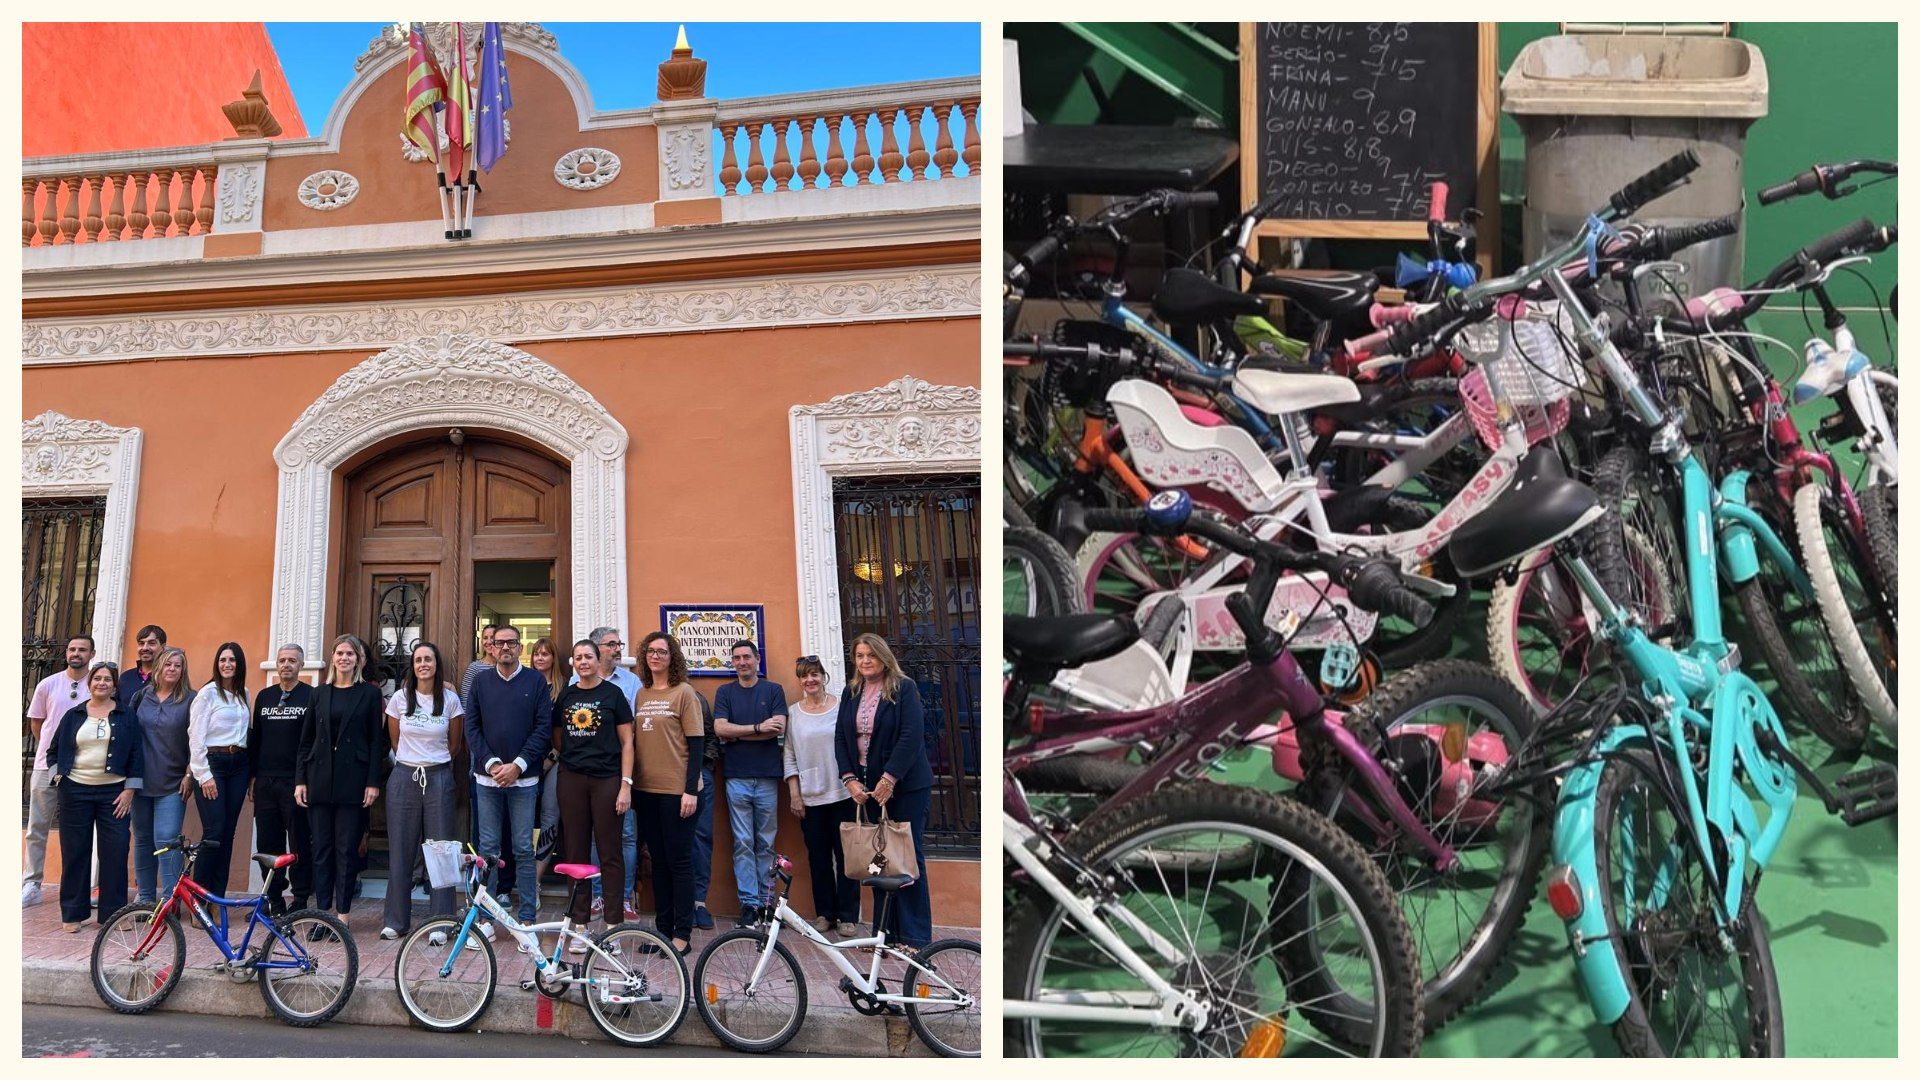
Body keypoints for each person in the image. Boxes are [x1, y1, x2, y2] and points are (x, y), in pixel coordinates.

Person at [836, 634, 935, 951]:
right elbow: (840, 737)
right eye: (859, 655)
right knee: (877, 860)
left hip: (905, 787)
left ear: (883, 657)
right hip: (868, 790)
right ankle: (884, 934)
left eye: (871, 655)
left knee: (905, 857)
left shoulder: (903, 688)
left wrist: (890, 778)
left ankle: (914, 937)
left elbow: (911, 735)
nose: (865, 661)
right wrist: (850, 779)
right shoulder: (851, 692)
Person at [463, 623, 552, 929]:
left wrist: (517, 765)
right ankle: (485, 919)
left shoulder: (536, 681)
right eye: (499, 643)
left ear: (519, 648)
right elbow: (471, 727)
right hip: (487, 779)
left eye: (511, 643)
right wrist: (491, 763)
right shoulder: (480, 682)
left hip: (524, 780)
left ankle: (527, 919)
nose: (505, 648)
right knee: (487, 850)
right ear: (491, 647)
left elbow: (543, 729)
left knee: (524, 849)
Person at [295, 634, 386, 925]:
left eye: (350, 654)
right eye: (339, 653)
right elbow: (306, 740)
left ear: (358, 660)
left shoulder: (370, 695)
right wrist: (301, 780)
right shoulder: (318, 693)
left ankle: (342, 915)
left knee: (346, 850)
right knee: (321, 849)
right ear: (333, 658)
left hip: (354, 783)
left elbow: (376, 742)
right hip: (319, 781)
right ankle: (323, 914)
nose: (344, 658)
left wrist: (373, 782)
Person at [553, 639, 634, 948]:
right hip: (572, 779)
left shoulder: (613, 694)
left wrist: (625, 784)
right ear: (573, 663)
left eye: (588, 656)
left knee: (610, 852)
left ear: (599, 660)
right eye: (578, 657)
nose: (583, 661)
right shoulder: (568, 694)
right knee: (575, 851)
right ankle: (580, 926)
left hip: (607, 780)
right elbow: (557, 735)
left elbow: (627, 741)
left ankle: (613, 925)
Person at [380, 642, 464, 940]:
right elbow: (394, 740)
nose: (423, 664)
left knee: (441, 851)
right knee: (402, 850)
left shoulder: (451, 700)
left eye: (428, 659)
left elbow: (454, 745)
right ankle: (396, 921)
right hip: (404, 777)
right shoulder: (401, 699)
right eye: (418, 660)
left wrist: (433, 764)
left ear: (436, 664)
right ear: (412, 666)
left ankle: (441, 922)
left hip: (439, 777)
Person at [51, 660, 142, 932]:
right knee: (75, 851)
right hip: (75, 791)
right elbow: (54, 750)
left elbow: (137, 754)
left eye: (107, 679)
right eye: (97, 678)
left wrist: (129, 790)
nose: (102, 683)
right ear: (89, 684)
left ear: (115, 685)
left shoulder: (127, 716)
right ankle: (72, 913)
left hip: (113, 794)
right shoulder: (73, 715)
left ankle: (114, 914)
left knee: (115, 852)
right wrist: (59, 778)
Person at [631, 632, 704, 954]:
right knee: (657, 863)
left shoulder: (684, 693)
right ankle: (662, 932)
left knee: (679, 862)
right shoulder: (642, 694)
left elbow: (697, 744)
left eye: (662, 651)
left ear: (672, 657)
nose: (655, 656)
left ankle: (682, 935)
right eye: (651, 651)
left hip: (678, 793)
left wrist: (690, 790)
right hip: (647, 791)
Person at [713, 640, 788, 925]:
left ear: (758, 659)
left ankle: (766, 904)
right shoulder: (725, 692)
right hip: (736, 777)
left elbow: (778, 727)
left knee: (766, 843)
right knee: (743, 842)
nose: (742, 662)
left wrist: (738, 733)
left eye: (747, 657)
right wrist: (757, 728)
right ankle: (748, 904)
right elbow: (720, 728)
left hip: (768, 777)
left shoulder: (773, 690)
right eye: (736, 658)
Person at [784, 654, 859, 934]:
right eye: (804, 675)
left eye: (814, 674)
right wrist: (795, 794)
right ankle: (825, 914)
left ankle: (848, 915)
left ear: (823, 676)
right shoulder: (793, 713)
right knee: (818, 858)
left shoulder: (842, 707)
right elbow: (789, 754)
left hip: (842, 793)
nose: (810, 680)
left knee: (847, 857)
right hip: (811, 797)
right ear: (800, 681)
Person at [574, 626, 640, 923]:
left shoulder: (630, 682)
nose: (617, 649)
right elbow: (564, 734)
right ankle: (597, 896)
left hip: (618, 773)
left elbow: (633, 733)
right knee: (591, 837)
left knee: (623, 836)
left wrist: (626, 780)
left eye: (618, 644)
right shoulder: (575, 684)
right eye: (612, 644)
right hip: (583, 775)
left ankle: (622, 898)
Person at [23, 634, 94, 908]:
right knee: (37, 826)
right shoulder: (48, 684)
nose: (76, 653)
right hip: (45, 766)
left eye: (82, 650)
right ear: (66, 653)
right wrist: (54, 751)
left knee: (79, 829)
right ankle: (32, 883)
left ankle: (77, 885)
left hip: (85, 769)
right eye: (72, 649)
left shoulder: (98, 685)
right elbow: (37, 723)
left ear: (92, 654)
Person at [251, 644, 315, 915]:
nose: (286, 665)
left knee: (299, 841)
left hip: (296, 782)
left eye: (292, 661)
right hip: (266, 781)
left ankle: (299, 899)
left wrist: (306, 779)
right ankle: (273, 898)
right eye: (282, 660)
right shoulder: (264, 697)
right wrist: (253, 776)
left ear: (301, 665)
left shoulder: (311, 696)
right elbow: (256, 741)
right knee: (268, 843)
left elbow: (312, 742)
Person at [131, 647, 195, 903]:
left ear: (183, 671)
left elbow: (197, 740)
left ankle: (170, 900)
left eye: (177, 666)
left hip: (173, 783)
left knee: (167, 841)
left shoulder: (191, 699)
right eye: (168, 664)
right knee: (144, 840)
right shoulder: (140, 697)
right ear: (158, 667)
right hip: (139, 782)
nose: (172, 669)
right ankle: (145, 898)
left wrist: (189, 774)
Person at [188, 642, 252, 896]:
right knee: (213, 833)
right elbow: (195, 736)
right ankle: (198, 899)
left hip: (239, 765)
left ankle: (217, 898)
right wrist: (203, 774)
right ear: (217, 663)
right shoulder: (207, 694)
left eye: (233, 660)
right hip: (212, 764)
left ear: (239, 664)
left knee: (228, 833)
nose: (227, 664)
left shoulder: (244, 693)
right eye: (223, 659)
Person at [528, 637, 564, 879]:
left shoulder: (565, 688)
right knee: (524, 818)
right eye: (536, 654)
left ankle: (537, 879)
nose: (540, 658)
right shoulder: (525, 684)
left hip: (556, 761)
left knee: (549, 817)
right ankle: (520, 875)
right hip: (526, 761)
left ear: (553, 658)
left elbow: (564, 731)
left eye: (545, 654)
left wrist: (551, 758)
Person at [689, 688, 719, 930]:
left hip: (699, 776)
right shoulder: (650, 696)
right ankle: (680, 903)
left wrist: (701, 769)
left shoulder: (697, 697)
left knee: (701, 838)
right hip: (666, 778)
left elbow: (710, 737)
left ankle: (699, 902)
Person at [115, 624, 167, 712]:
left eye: (151, 643)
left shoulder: (167, 677)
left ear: (163, 647)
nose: (145, 648)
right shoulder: (126, 677)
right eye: (141, 643)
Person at [460, 623, 502, 707]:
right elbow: (466, 699)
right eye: (485, 638)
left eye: (492, 638)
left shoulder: (507, 666)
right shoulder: (474, 668)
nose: (489, 642)